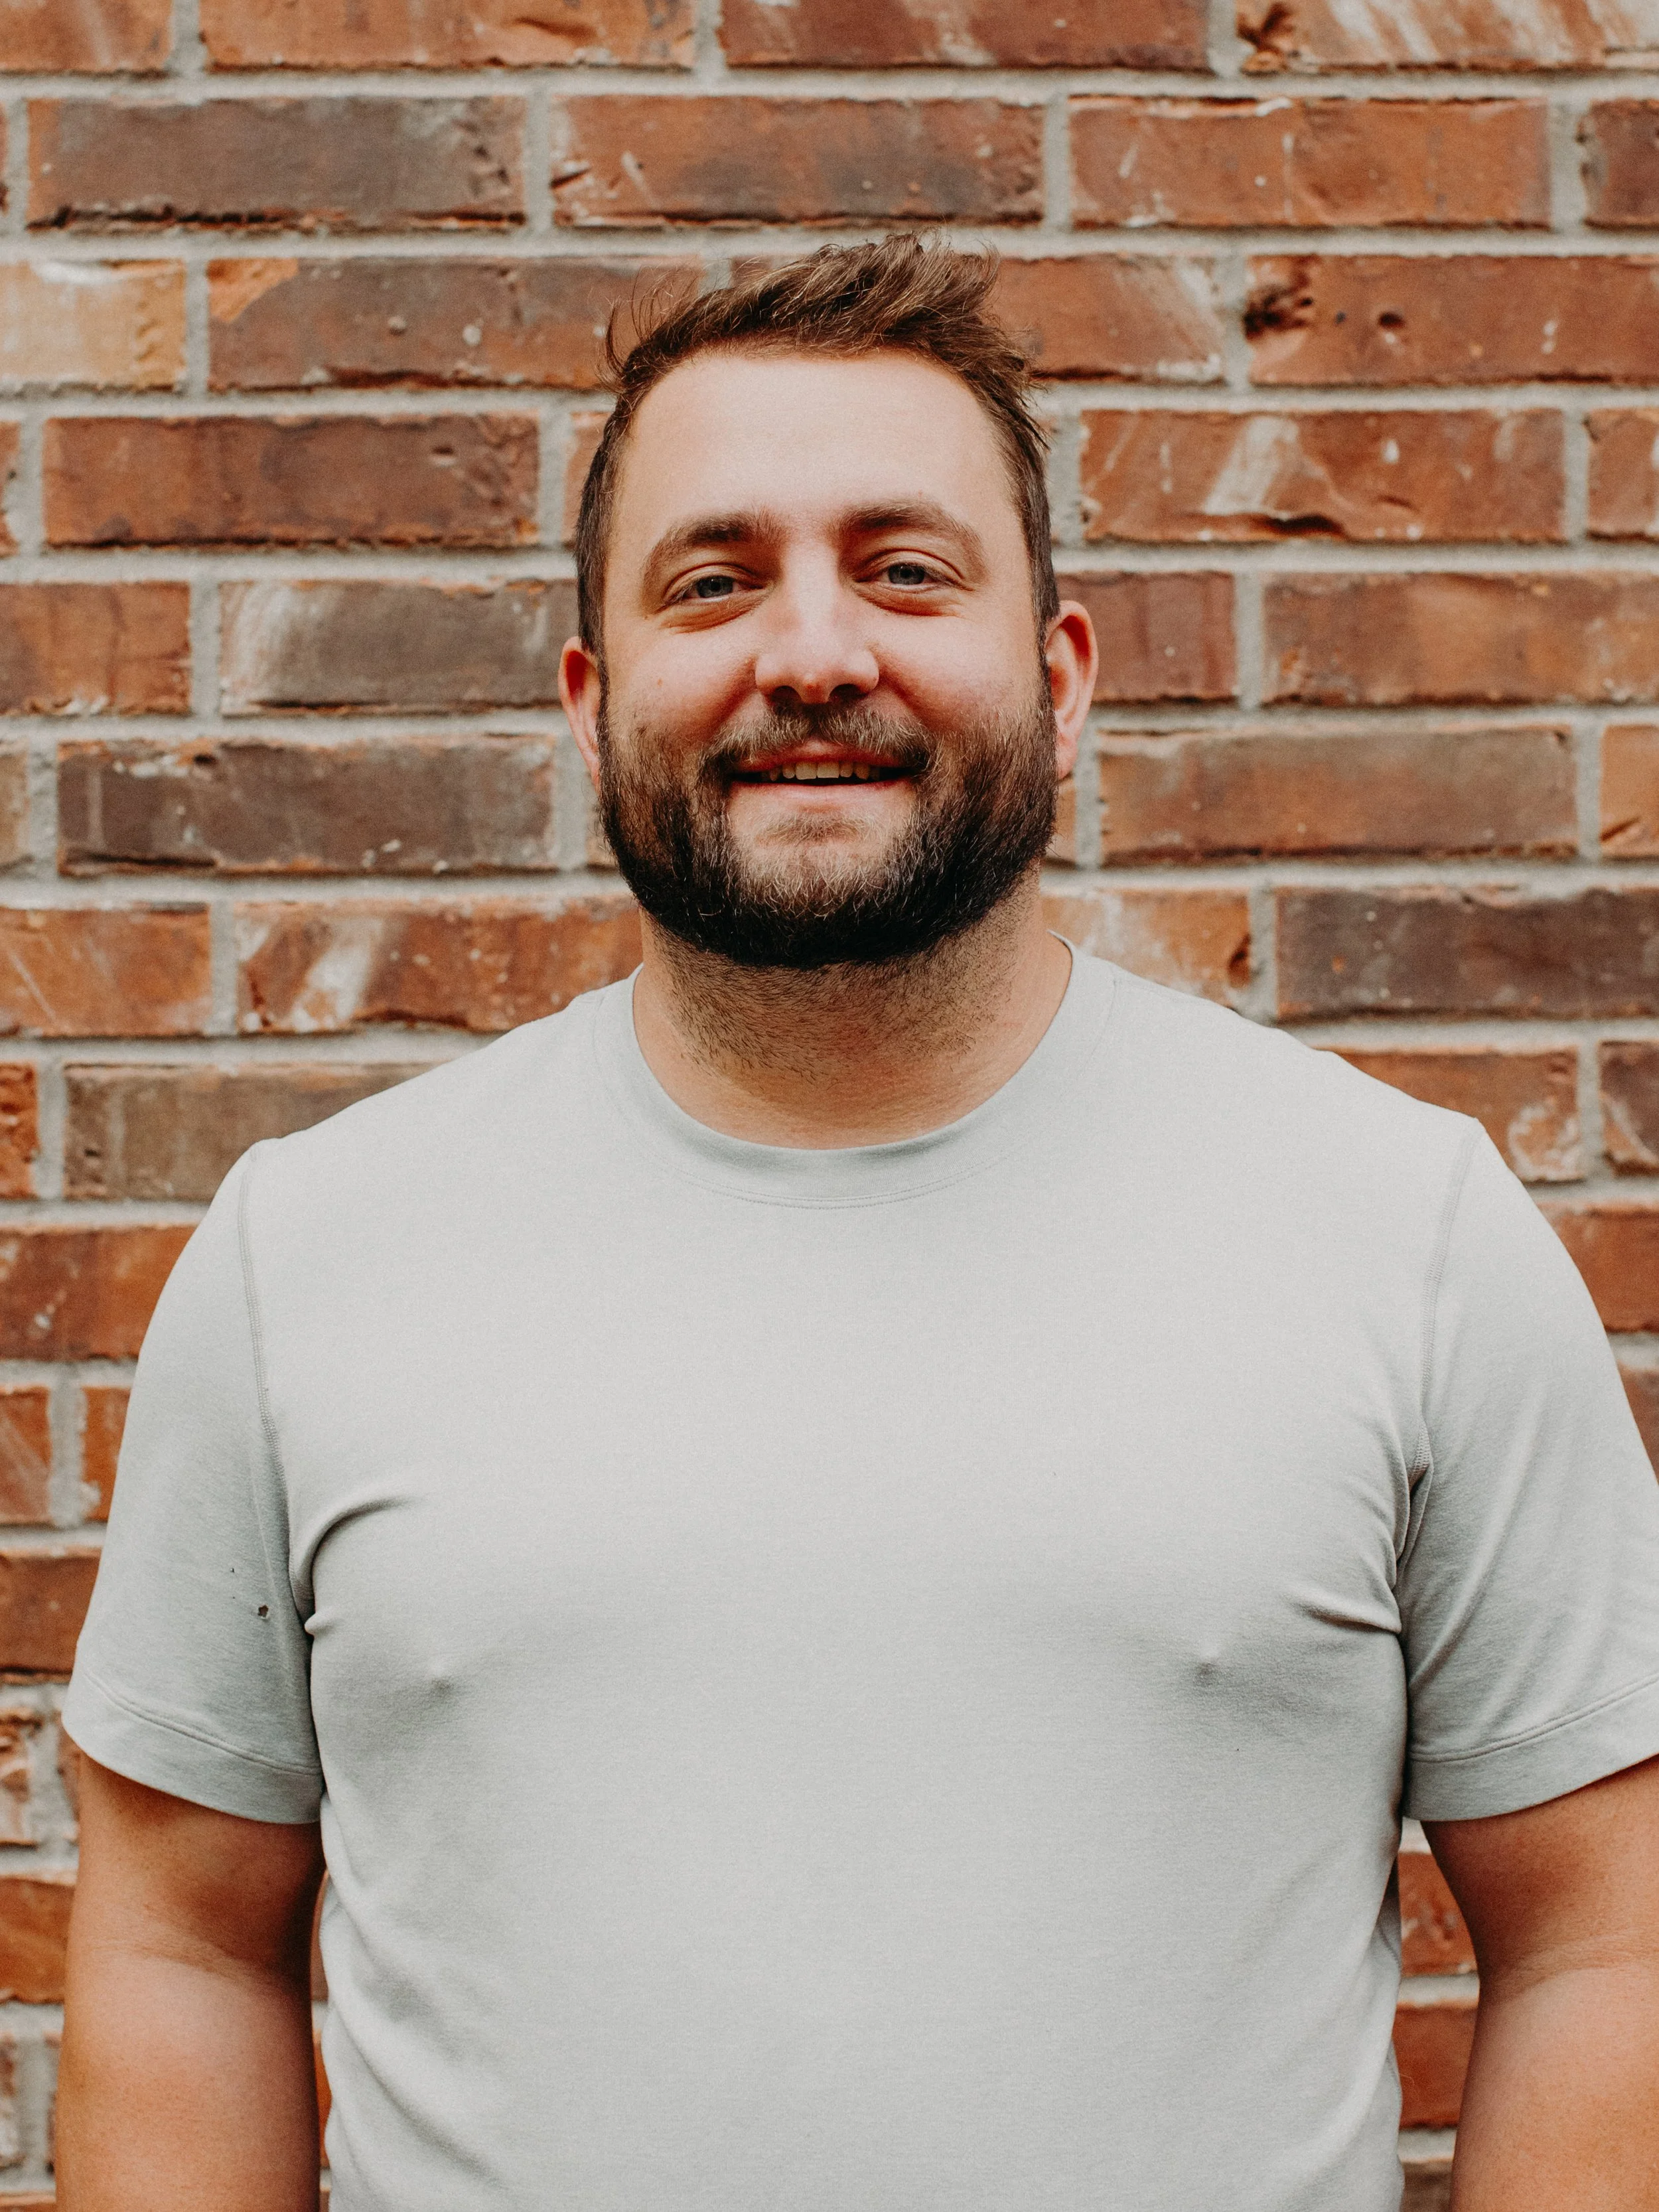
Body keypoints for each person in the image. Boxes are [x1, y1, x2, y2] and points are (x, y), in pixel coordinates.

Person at [56, 237, 1659, 2212]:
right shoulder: (312, 1259)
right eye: (712, 580)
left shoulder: (1396, 1231)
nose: (810, 654)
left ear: (1061, 681)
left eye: (904, 570)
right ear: (588, 701)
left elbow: (1605, 1936)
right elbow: (176, 1939)